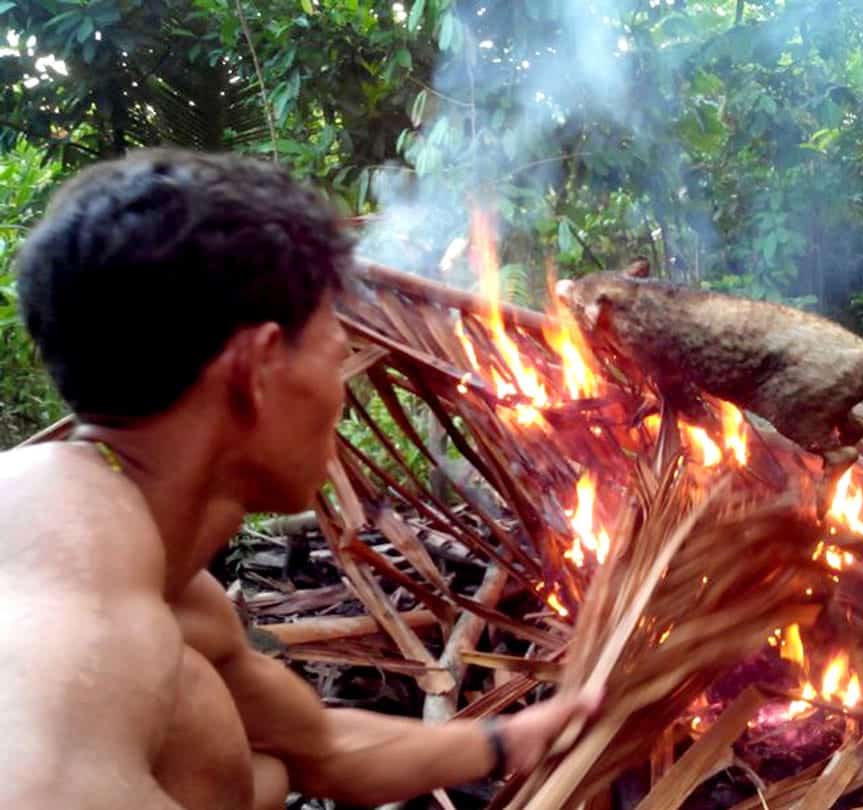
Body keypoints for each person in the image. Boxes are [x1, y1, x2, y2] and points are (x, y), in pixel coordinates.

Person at [4, 149, 597, 809]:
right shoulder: (65, 578)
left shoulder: (164, 581)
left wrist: (516, 737)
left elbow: (326, 750)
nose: (339, 393)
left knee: (251, 760)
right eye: (333, 354)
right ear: (257, 370)